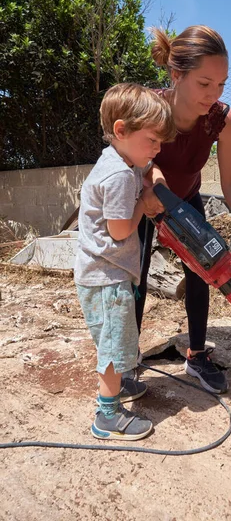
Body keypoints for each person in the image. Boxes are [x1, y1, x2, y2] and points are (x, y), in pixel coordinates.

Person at [135, 25, 231, 395]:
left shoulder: (222, 120)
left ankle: (196, 355)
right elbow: (136, 159)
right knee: (136, 274)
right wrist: (152, 181)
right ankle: (127, 359)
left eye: (222, 84)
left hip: (187, 200)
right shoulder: (149, 107)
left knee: (201, 272)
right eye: (205, 83)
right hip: (143, 200)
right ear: (177, 75)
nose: (214, 95)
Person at [74, 83, 175, 440]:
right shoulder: (118, 175)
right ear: (121, 130)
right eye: (152, 140)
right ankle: (107, 415)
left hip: (105, 273)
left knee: (117, 339)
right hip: (105, 276)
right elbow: (119, 231)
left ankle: (116, 389)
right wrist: (144, 204)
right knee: (114, 348)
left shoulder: (124, 159)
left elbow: (149, 171)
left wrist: (154, 178)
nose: (157, 148)